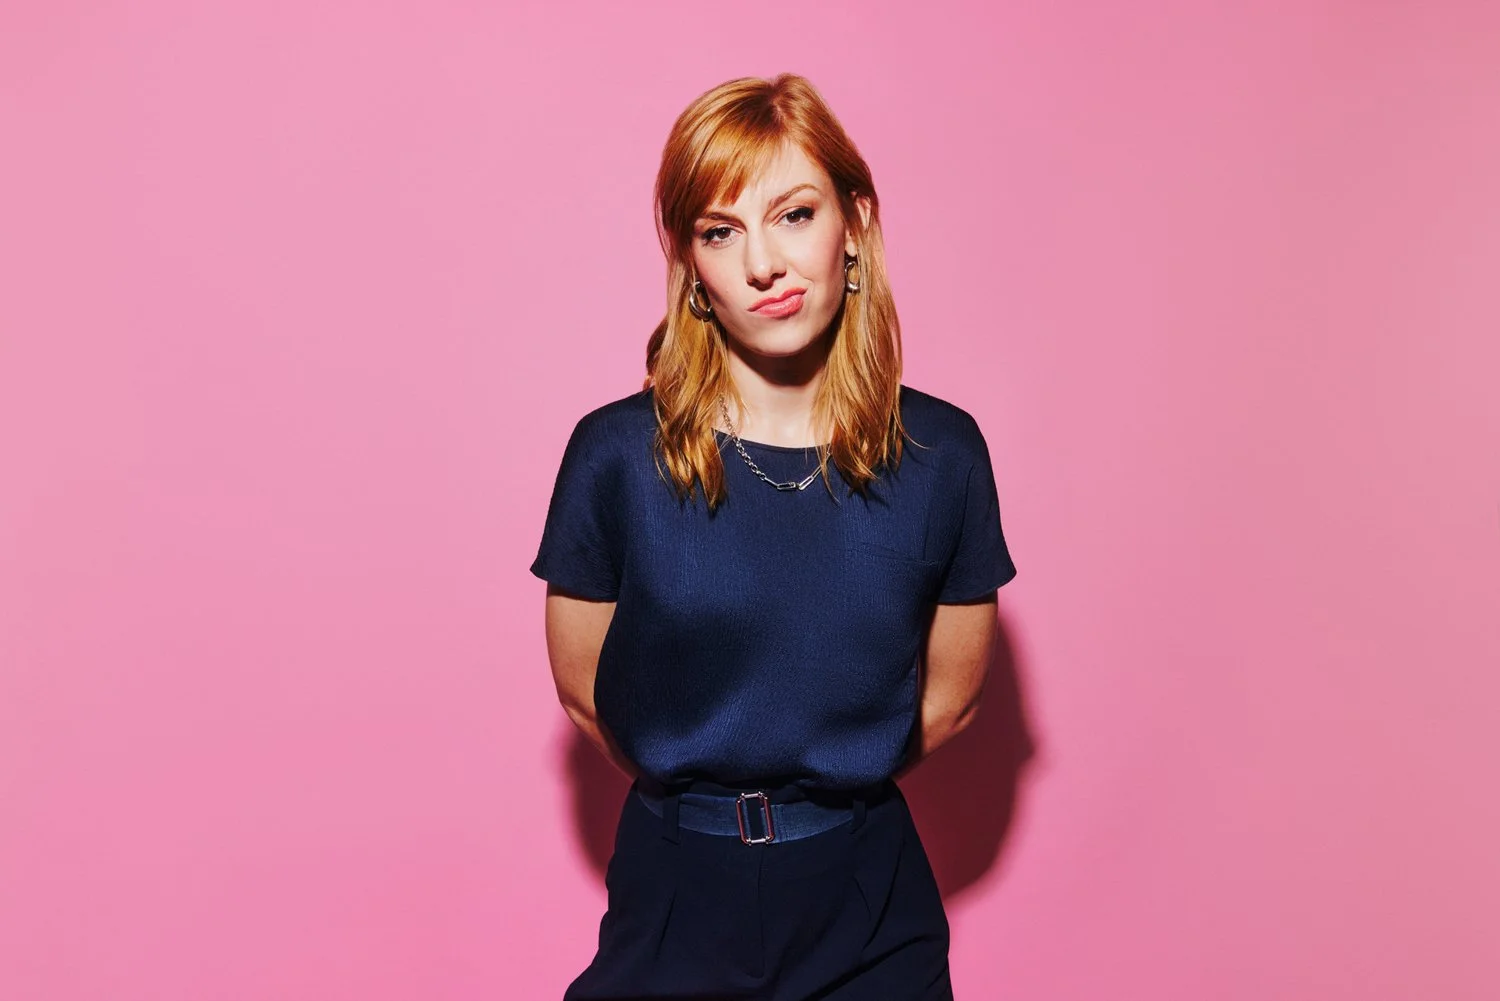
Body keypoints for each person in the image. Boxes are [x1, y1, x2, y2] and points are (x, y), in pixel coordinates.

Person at [529, 72, 1017, 1001]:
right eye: (721, 230)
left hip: (869, 896)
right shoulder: (616, 456)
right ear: (692, 267)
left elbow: (951, 702)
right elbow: (586, 692)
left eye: (793, 214)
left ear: (854, 224)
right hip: (677, 889)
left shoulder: (944, 455)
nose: (764, 263)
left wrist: (827, 782)